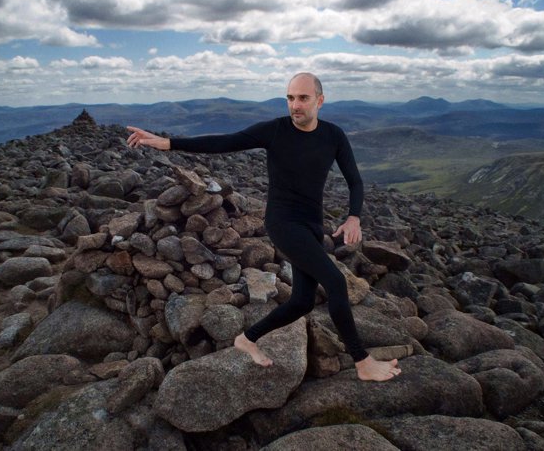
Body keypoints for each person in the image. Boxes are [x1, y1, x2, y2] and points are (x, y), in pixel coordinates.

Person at [127, 73, 401, 381]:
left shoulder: (334, 136)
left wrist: (354, 217)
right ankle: (362, 362)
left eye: (303, 98)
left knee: (302, 301)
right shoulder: (275, 131)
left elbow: (355, 180)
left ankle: (246, 339)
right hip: (283, 222)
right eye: (290, 98)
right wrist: (167, 143)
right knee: (336, 282)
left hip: (312, 224)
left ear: (320, 101)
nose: (295, 105)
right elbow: (225, 142)